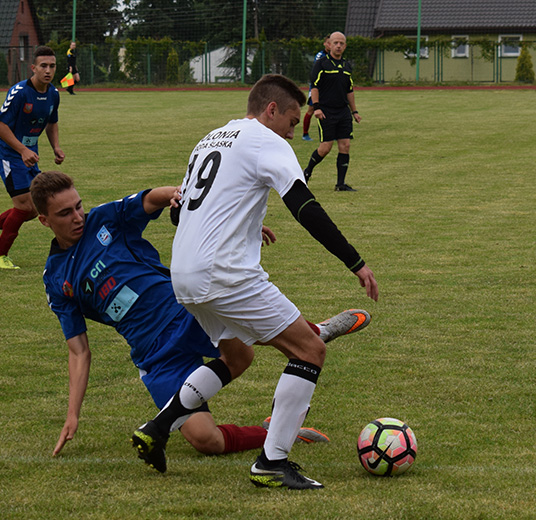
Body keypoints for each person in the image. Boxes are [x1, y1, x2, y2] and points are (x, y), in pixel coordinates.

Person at [131, 74, 378, 490]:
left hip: (185, 275)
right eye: (292, 120)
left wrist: (244, 223)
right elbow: (304, 206)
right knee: (310, 350)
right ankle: (272, 463)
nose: (294, 131)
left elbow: (179, 212)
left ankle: (156, 428)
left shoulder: (210, 138)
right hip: (224, 274)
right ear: (271, 110)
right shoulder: (267, 141)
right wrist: (355, 262)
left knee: (238, 357)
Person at [29, 171, 363, 460]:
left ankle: (315, 331)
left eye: (78, 206)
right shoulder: (56, 279)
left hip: (185, 312)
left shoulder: (103, 220)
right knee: (206, 441)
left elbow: (150, 199)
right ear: (44, 220)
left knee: (250, 349)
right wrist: (72, 414)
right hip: (153, 353)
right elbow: (78, 350)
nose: (78, 217)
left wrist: (176, 195)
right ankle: (277, 430)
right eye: (65, 213)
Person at [0, 45, 65, 270]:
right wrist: (22, 150)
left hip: (29, 157)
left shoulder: (53, 94)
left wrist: (56, 147)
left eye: (52, 66)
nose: (48, 70)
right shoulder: (20, 92)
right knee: (24, 207)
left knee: (33, 209)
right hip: (9, 156)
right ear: (33, 68)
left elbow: (52, 122)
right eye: (43, 66)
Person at [302, 32, 362, 192]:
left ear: (345, 46)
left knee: (345, 145)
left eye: (341, 43)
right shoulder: (321, 64)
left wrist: (354, 111)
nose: (338, 46)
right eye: (335, 43)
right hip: (326, 111)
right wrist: (316, 107)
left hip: (343, 112)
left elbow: (349, 90)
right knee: (325, 148)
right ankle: (306, 173)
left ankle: (340, 184)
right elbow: (314, 87)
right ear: (329, 44)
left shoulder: (347, 66)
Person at [301, 35, 330, 141]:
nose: (330, 45)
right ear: (324, 44)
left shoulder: (333, 56)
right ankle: (305, 134)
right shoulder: (320, 55)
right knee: (311, 110)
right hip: (316, 88)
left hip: (327, 88)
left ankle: (330, 133)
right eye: (328, 42)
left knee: (328, 109)